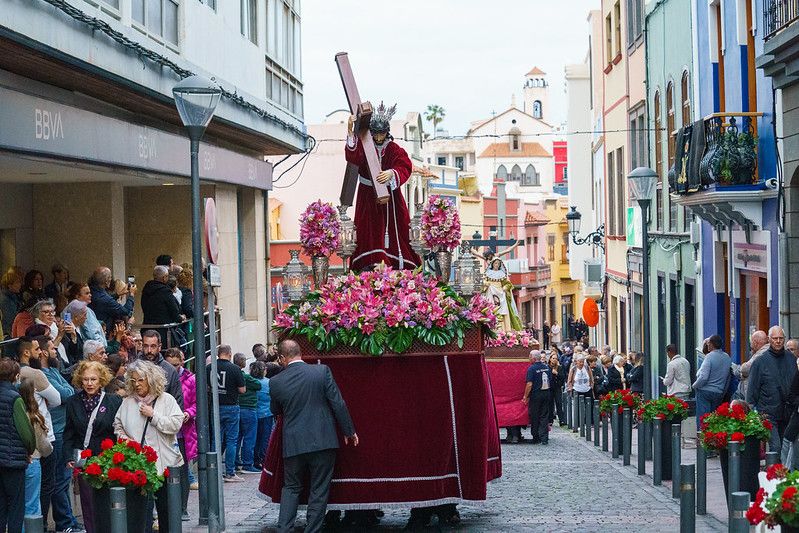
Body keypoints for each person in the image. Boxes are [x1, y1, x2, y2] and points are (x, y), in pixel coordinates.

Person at [270, 339, 358, 533]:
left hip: (293, 442)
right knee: (319, 490)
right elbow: (337, 402)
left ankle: (284, 529)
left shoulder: (275, 382)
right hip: (322, 440)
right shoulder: (321, 371)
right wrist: (348, 430)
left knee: (291, 488)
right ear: (300, 353)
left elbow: (275, 410)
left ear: (283, 358)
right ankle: (313, 530)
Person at [345, 103, 421, 271]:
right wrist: (351, 131)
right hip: (367, 198)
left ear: (387, 132)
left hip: (391, 200)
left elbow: (405, 166)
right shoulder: (364, 146)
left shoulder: (394, 149)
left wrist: (392, 173)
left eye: (382, 134)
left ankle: (397, 265)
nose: (379, 138)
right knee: (368, 232)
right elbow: (353, 157)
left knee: (398, 234)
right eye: (375, 134)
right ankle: (368, 265)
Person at [114, 360, 184, 533]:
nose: (137, 384)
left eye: (141, 380)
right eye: (133, 380)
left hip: (165, 465)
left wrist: (154, 416)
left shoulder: (166, 400)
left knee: (167, 512)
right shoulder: (128, 402)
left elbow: (176, 424)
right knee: (142, 514)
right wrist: (126, 441)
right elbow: (118, 425)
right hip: (139, 466)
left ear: (151, 379)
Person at [63, 361, 122, 533]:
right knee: (88, 504)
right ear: (80, 380)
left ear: (101, 380)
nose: (89, 383)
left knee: (107, 502)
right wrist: (68, 457)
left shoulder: (113, 401)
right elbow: (69, 433)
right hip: (85, 461)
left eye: (93, 379)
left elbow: (118, 431)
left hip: (108, 460)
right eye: (86, 379)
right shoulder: (73, 402)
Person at [37, 333, 81, 533]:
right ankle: (64, 523)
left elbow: (69, 390)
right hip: (56, 432)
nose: (57, 350)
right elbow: (64, 395)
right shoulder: (43, 375)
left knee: (64, 479)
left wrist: (68, 391)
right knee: (60, 480)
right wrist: (67, 391)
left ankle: (69, 519)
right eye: (53, 348)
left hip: (65, 430)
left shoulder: (53, 370)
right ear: (45, 352)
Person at [747, 326, 798, 456]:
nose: (778, 341)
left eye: (781, 338)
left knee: (787, 447)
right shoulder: (760, 362)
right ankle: (775, 474)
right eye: (775, 338)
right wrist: (752, 413)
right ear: (769, 340)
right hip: (768, 413)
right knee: (776, 447)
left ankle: (784, 475)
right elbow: (752, 390)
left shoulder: (791, 359)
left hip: (789, 412)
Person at [0, 358, 36, 533]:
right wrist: (29, 450)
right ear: (15, 376)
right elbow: (25, 432)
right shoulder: (15, 398)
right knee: (15, 506)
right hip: (13, 460)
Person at [164, 347, 197, 513]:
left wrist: (188, 413)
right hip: (165, 431)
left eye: (175, 365)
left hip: (184, 433)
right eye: (169, 364)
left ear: (182, 363)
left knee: (183, 471)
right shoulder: (162, 377)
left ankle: (182, 508)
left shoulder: (191, 380)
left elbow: (198, 404)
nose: (172, 369)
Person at [209, 345, 246, 482]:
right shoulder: (235, 369)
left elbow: (207, 386)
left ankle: (214, 471)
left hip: (216, 406)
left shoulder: (210, 368)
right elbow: (242, 390)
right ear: (229, 354)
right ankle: (230, 472)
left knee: (216, 439)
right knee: (231, 440)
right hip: (231, 406)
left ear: (218, 354)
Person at [20, 376, 53, 525]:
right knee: (32, 504)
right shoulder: (33, 417)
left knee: (17, 504)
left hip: (14, 462)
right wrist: (49, 450)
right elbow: (43, 445)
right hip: (33, 460)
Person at [693, 334, 732, 429]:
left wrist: (695, 386)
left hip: (705, 392)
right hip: (719, 392)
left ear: (711, 344)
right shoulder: (727, 357)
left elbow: (703, 377)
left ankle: (702, 440)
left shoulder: (709, 357)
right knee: (715, 420)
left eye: (708, 343)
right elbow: (728, 377)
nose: (707, 345)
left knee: (704, 419)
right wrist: (723, 391)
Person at [141, 266, 184, 347]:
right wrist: (180, 318)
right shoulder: (166, 291)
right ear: (164, 277)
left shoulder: (146, 289)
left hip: (147, 328)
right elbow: (174, 311)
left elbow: (144, 306)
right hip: (164, 332)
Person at [140, 330, 183, 409]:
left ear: (159, 347)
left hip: (162, 417)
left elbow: (177, 403)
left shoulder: (170, 371)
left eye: (153, 346)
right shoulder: (134, 368)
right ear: (142, 346)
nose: (149, 350)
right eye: (146, 346)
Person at [479, 256, 523, 332]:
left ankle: (504, 329)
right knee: (491, 308)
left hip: (501, 293)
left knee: (503, 310)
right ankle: (492, 329)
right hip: (490, 292)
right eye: (495, 263)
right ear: (492, 264)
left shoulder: (502, 274)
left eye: (498, 264)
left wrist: (505, 288)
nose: (497, 265)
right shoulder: (487, 273)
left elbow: (508, 284)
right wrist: (486, 284)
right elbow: (483, 282)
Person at [234, 352, 262, 474]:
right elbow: (258, 385)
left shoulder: (233, 374)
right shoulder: (245, 377)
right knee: (250, 437)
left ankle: (235, 462)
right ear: (244, 362)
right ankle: (247, 464)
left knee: (237, 437)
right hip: (249, 409)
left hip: (237, 408)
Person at [522, 350, 551, 445]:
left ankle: (536, 437)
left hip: (536, 395)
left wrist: (526, 396)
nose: (529, 358)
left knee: (535, 416)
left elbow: (529, 384)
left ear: (534, 358)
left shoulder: (532, 369)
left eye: (530, 357)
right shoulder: (546, 368)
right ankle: (544, 438)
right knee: (544, 416)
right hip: (546, 394)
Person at [251, 361, 273, 470]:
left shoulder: (251, 381)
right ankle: (263, 460)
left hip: (254, 412)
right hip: (267, 413)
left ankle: (255, 459)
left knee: (254, 438)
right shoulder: (269, 383)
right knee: (265, 438)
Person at [735, 330, 769, 400]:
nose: (751, 345)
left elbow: (745, 369)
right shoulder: (763, 351)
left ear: (755, 343)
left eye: (751, 342)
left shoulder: (762, 352)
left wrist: (741, 372)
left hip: (756, 392)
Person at [0, 269, 23, 338]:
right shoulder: (5, 300)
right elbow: (10, 320)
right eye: (17, 283)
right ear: (10, 285)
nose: (20, 285)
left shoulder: (14, 297)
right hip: (9, 335)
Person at [548, 353, 566, 427]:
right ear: (550, 359)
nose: (554, 360)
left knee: (559, 403)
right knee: (550, 404)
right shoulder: (547, 367)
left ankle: (561, 420)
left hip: (557, 388)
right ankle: (550, 420)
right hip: (550, 388)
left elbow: (563, 377)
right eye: (553, 358)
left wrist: (557, 373)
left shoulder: (560, 367)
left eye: (556, 358)